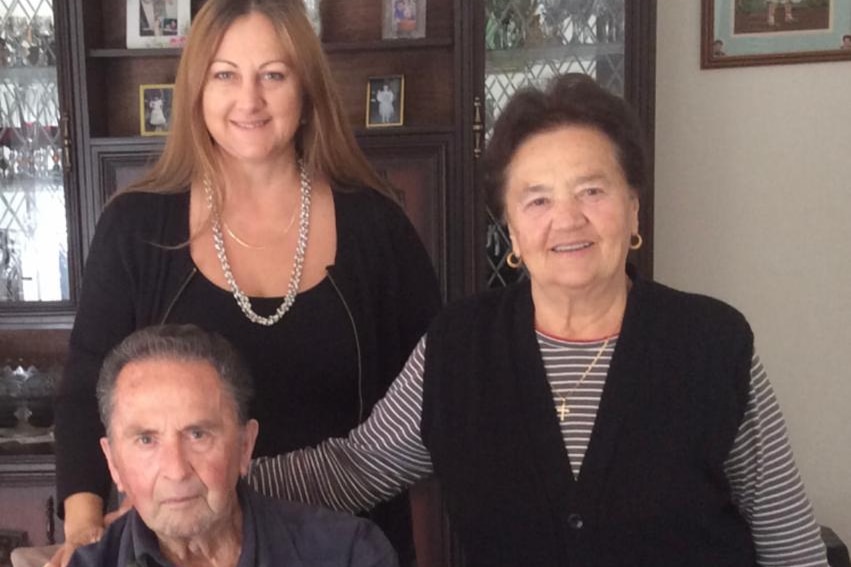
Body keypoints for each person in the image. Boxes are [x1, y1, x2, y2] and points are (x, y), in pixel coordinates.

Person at [250, 74, 830, 566]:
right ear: (511, 231)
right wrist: (207, 475)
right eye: (538, 200)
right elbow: (354, 468)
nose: (568, 220)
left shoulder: (712, 344)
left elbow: (792, 546)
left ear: (633, 207)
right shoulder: (458, 348)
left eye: (592, 191)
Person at [52, 0, 441, 565]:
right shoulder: (134, 227)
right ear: (197, 92)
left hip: (343, 547)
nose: (249, 100)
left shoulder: (378, 226)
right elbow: (85, 392)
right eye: (225, 75)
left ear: (307, 91)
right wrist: (85, 532)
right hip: (181, 545)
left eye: (274, 75)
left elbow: (434, 399)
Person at [66, 324, 397, 567]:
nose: (176, 470)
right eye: (146, 440)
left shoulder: (348, 554)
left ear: (245, 446)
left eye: (198, 434)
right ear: (113, 463)